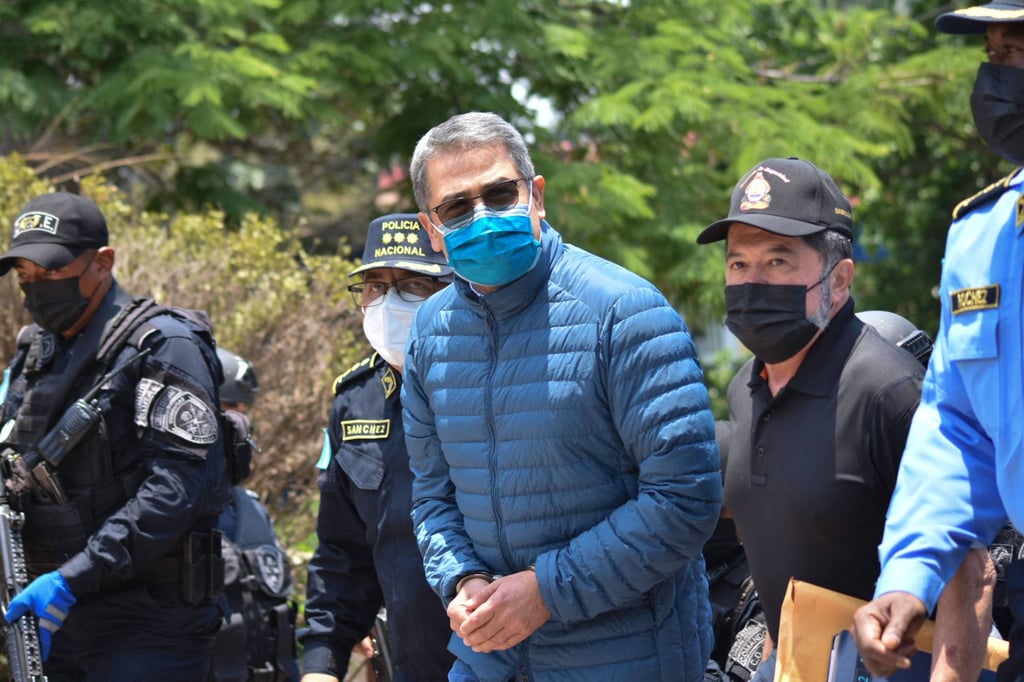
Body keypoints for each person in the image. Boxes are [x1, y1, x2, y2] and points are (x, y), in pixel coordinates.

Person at [402, 111, 722, 682]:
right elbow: (432, 497)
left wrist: (547, 591)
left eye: (500, 194)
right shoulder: (430, 332)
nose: (483, 216)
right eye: (456, 207)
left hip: (627, 661)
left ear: (537, 196)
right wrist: (462, 580)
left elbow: (685, 498)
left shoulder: (625, 313)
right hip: (490, 661)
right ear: (431, 229)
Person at [696, 157, 991, 682]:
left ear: (839, 280)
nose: (752, 282)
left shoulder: (888, 391)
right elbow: (784, 574)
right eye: (738, 264)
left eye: (779, 261)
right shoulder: (745, 389)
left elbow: (971, 572)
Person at [851, 2, 1024, 678]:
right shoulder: (983, 234)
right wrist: (910, 576)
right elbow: (959, 426)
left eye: (1017, 52)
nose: (996, 78)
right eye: (993, 55)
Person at [0, 191, 229, 679]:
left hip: (147, 623)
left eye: (50, 271)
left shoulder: (164, 346)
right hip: (55, 616)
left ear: (102, 262)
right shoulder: (37, 352)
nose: (35, 287)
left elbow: (175, 491)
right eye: (24, 275)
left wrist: (74, 577)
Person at [300, 213, 455, 682]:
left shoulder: (494, 385)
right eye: (375, 287)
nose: (389, 303)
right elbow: (342, 552)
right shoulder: (355, 402)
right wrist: (322, 663)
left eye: (413, 286)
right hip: (409, 663)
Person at [209, 348, 299, 682]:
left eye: (243, 411)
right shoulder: (167, 513)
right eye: (229, 408)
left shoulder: (252, 508)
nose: (240, 424)